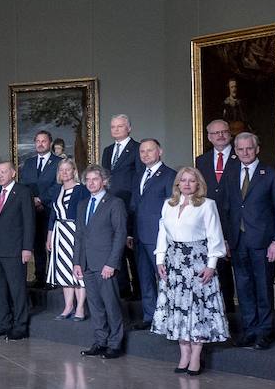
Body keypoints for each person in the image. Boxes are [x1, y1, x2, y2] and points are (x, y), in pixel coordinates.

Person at [153, 167, 229, 374]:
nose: (186, 184)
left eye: (191, 181)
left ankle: (196, 356)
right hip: (174, 262)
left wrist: (211, 265)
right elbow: (162, 233)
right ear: (177, 184)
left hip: (197, 262)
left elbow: (215, 236)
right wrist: (160, 260)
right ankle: (184, 354)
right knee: (178, 308)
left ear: (199, 184)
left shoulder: (207, 205)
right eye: (183, 181)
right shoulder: (168, 205)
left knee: (197, 310)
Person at [225, 132, 275, 349]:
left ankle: (264, 332)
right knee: (243, 289)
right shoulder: (231, 174)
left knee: (263, 288)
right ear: (236, 151)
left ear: (257, 149)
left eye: (249, 148)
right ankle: (249, 330)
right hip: (237, 241)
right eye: (240, 149)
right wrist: (225, 239)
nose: (245, 152)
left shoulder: (271, 175)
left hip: (263, 243)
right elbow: (227, 209)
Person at [74, 165, 128, 359]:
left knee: (111, 305)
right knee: (95, 306)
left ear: (104, 181)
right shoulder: (82, 205)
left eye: (95, 179)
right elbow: (79, 235)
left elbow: (120, 234)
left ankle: (115, 344)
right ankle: (100, 341)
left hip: (106, 264)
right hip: (87, 264)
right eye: (87, 180)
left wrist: (111, 263)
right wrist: (77, 262)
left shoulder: (115, 203)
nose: (91, 183)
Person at [129, 139, 177, 330]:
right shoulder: (138, 175)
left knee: (164, 278)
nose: (146, 154)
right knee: (145, 278)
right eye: (142, 152)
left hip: (159, 238)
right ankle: (151, 317)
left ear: (160, 152)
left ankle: (168, 318)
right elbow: (134, 207)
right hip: (139, 236)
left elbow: (171, 209)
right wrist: (131, 234)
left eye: (150, 150)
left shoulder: (170, 175)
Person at [0, 160, 33, 340]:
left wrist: (27, 248)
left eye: (4, 172)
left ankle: (20, 326)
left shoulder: (23, 192)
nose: (0, 175)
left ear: (13, 173)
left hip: (15, 250)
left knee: (17, 290)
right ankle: (4, 324)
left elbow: (29, 222)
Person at [195, 119, 237, 312]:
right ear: (209, 137)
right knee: (219, 272)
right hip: (211, 224)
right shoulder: (201, 161)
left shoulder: (241, 156)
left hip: (237, 223)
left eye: (224, 132)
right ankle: (224, 314)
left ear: (229, 134)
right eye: (216, 133)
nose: (220, 135)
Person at [101, 114, 142, 299]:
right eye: (113, 127)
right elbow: (104, 178)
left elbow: (140, 178)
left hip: (130, 205)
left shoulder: (137, 148)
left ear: (129, 128)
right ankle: (123, 289)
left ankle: (139, 292)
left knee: (131, 249)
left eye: (119, 126)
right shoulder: (108, 151)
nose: (115, 130)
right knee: (116, 248)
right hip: (111, 205)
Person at [17, 130, 61, 289]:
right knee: (37, 245)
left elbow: (59, 185)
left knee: (51, 245)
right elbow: (23, 185)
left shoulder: (58, 162)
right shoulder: (28, 163)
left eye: (44, 141)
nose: (40, 144)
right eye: (38, 141)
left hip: (51, 210)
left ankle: (53, 278)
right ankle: (40, 277)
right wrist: (32, 201)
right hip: (32, 211)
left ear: (50, 143)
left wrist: (41, 199)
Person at [46, 159, 89, 321]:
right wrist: (49, 236)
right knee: (64, 271)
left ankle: (80, 307)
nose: (64, 172)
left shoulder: (81, 190)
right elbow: (53, 215)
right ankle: (68, 306)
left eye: (68, 169)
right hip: (59, 233)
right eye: (61, 170)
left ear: (74, 171)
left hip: (75, 233)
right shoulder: (57, 190)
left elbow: (85, 214)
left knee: (77, 271)